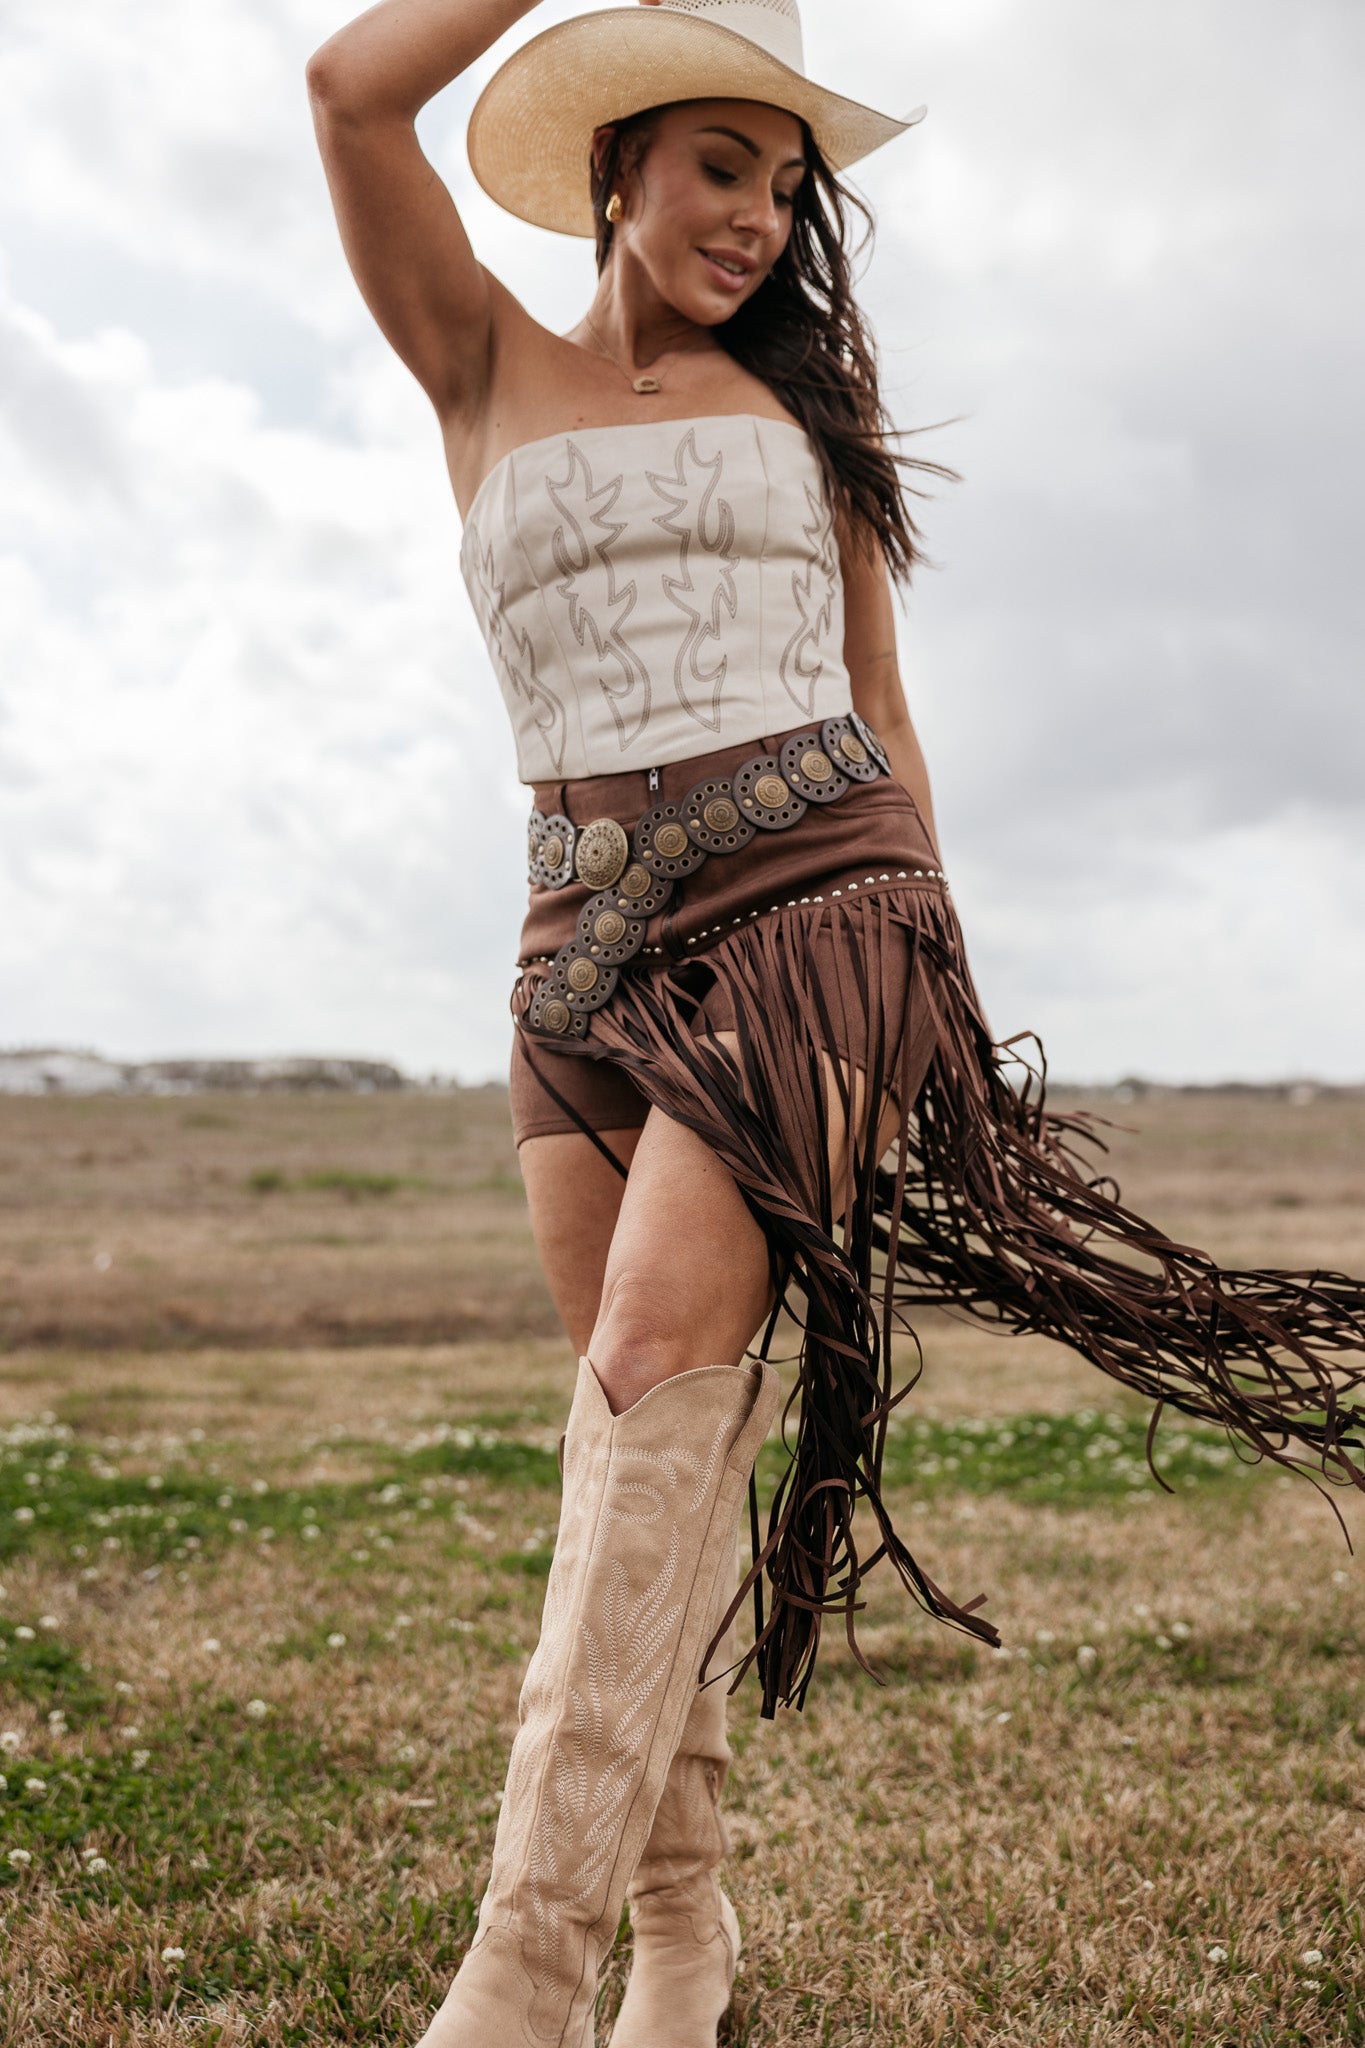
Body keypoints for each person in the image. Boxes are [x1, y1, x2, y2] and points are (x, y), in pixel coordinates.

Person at [306, 3, 1365, 2041]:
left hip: (813, 906)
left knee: (646, 1368)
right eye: (721, 162)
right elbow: (348, 92)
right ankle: (682, 1937)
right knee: (647, 1454)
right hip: (571, 952)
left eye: (786, 184)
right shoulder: (479, 369)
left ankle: (516, 1980)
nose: (757, 218)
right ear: (613, 159)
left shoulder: (801, 417)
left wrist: (926, 991)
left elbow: (884, 711)